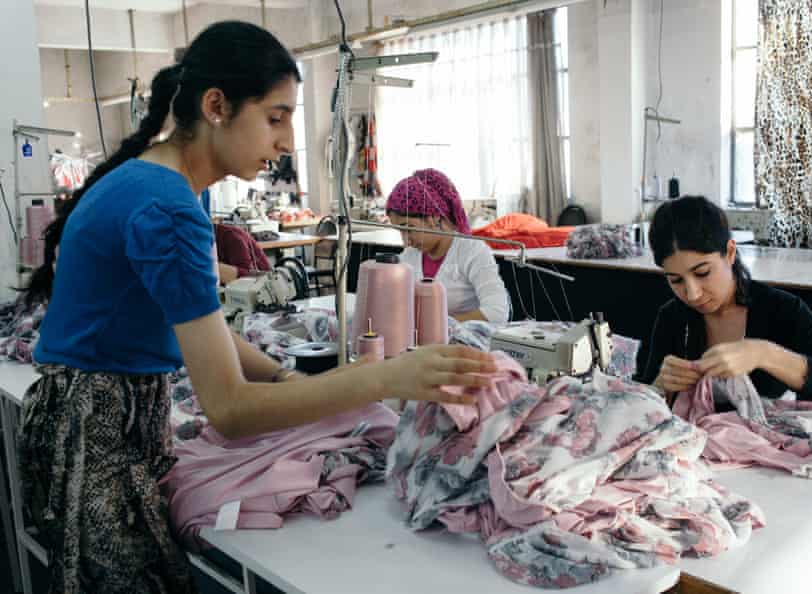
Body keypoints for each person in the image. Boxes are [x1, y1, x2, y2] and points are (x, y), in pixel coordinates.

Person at [21, 22, 494, 593]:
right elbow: (229, 410)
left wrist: (282, 375)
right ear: (216, 106)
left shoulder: (163, 184)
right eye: (276, 117)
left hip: (89, 415)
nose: (289, 141)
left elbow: (193, 323)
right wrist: (384, 378)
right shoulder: (168, 206)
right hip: (98, 435)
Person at [640, 195, 812, 407]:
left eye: (702, 273)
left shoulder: (782, 310)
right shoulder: (672, 317)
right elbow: (643, 398)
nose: (693, 294)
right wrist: (661, 385)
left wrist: (764, 354)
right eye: (676, 280)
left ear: (730, 252)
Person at [385, 169, 510, 323]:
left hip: (466, 338)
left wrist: (438, 325)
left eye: (409, 229)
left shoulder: (472, 251)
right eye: (400, 231)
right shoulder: (409, 256)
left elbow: (497, 313)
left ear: (434, 218)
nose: (406, 242)